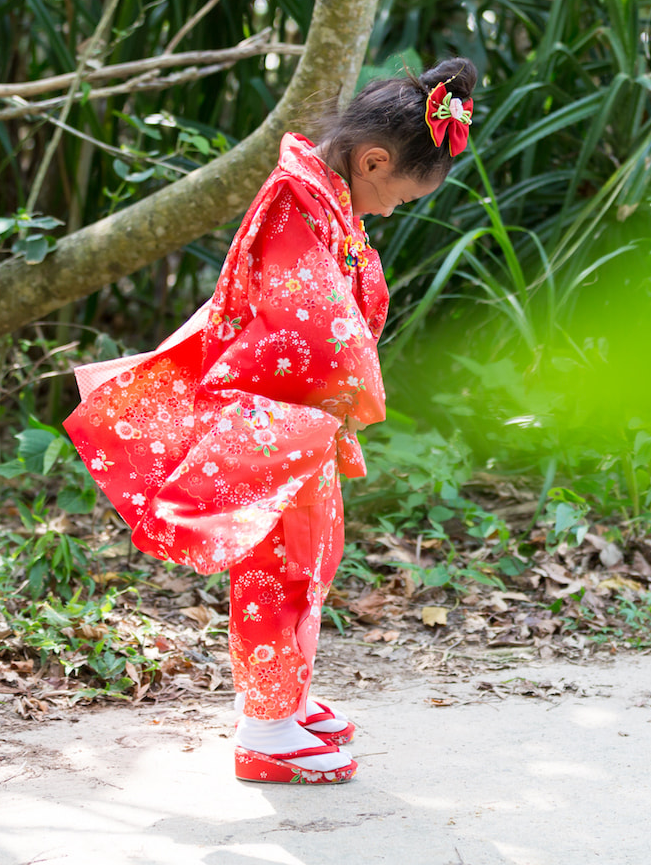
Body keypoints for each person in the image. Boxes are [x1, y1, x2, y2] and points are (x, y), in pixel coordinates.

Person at [65, 57, 478, 784]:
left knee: (312, 551)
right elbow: (306, 320)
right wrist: (356, 384)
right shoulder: (297, 197)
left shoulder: (324, 196)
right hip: (275, 409)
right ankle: (265, 729)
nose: (391, 211)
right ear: (373, 160)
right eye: (399, 195)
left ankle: (284, 698)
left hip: (296, 411)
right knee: (280, 560)